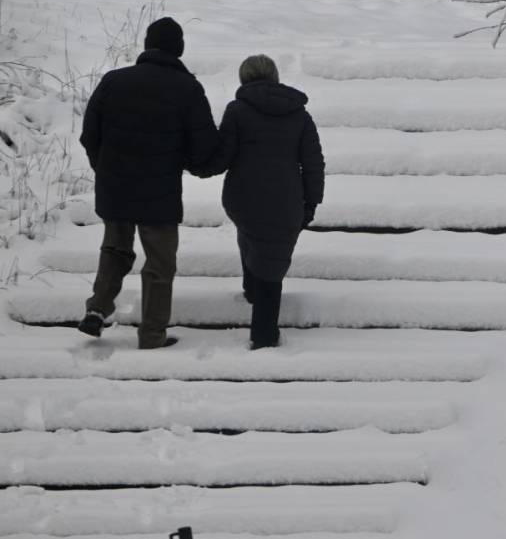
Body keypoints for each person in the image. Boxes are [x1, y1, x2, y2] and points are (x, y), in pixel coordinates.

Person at [78, 17, 220, 349]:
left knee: (114, 249)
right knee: (159, 263)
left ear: (146, 45)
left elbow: (89, 135)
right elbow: (203, 148)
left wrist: (106, 168)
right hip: (160, 193)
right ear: (179, 49)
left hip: (115, 186)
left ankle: (97, 310)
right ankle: (152, 334)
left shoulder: (113, 81)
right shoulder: (187, 89)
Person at [199, 54, 324, 349]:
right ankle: (264, 334)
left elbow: (223, 156)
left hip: (242, 197)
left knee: (253, 237)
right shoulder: (300, 115)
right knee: (272, 258)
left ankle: (252, 290)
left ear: (244, 79)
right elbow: (313, 163)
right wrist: (312, 202)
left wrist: (196, 161)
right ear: (275, 77)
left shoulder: (237, 111)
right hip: (286, 200)